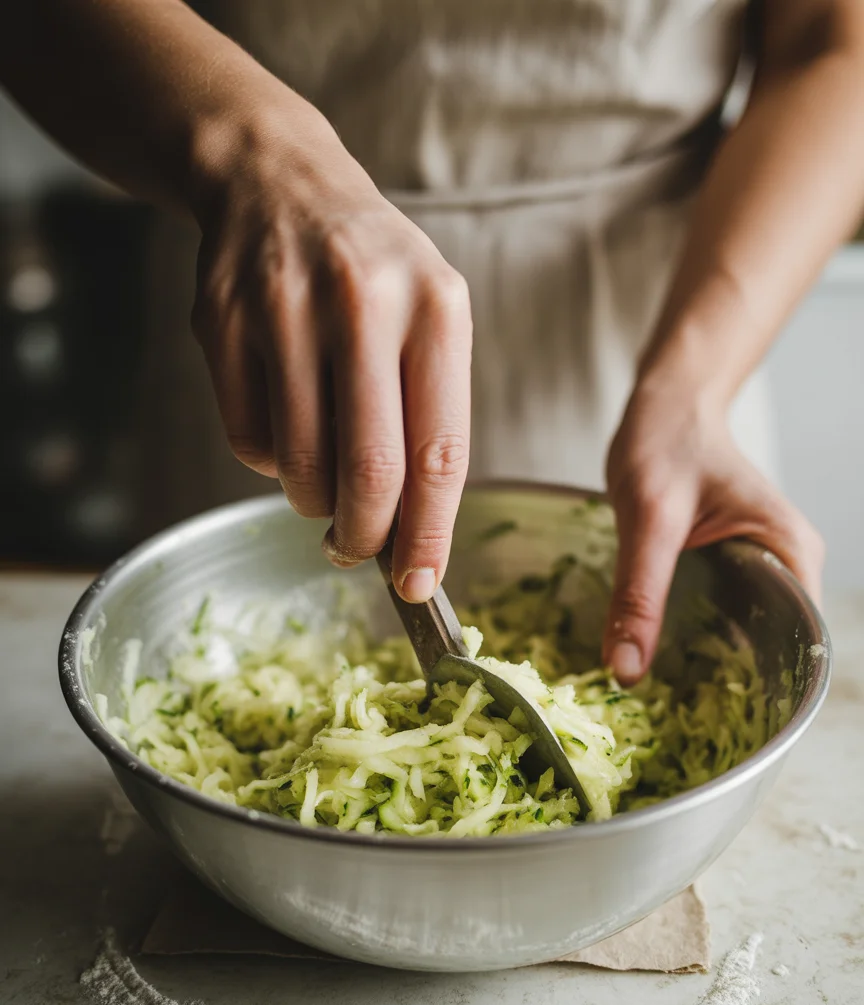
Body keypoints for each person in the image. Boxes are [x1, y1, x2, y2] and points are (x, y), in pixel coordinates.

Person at [2, 0, 861, 684]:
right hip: (271, 284)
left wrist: (694, 392)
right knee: (194, 658)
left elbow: (834, 44)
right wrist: (251, 148)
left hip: (674, 309)